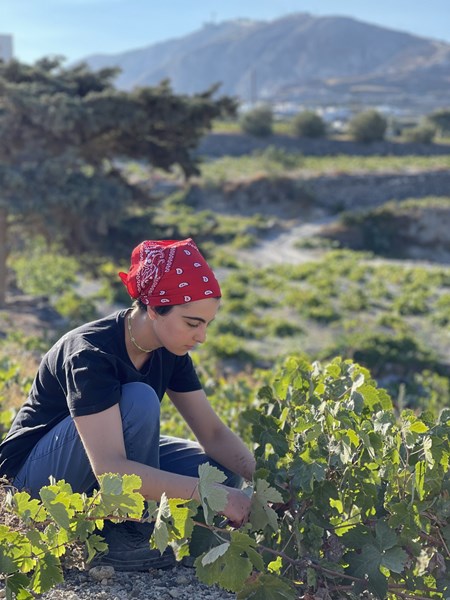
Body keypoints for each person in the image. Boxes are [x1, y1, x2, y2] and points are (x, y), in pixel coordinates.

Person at [0, 238, 255, 571]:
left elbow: (213, 433)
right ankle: (126, 536)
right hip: (33, 488)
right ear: (153, 308)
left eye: (207, 325)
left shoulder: (170, 349)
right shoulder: (90, 354)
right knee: (139, 399)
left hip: (99, 467)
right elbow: (109, 468)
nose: (202, 337)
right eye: (193, 323)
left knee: (221, 472)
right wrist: (214, 496)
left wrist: (268, 481)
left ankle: (122, 524)